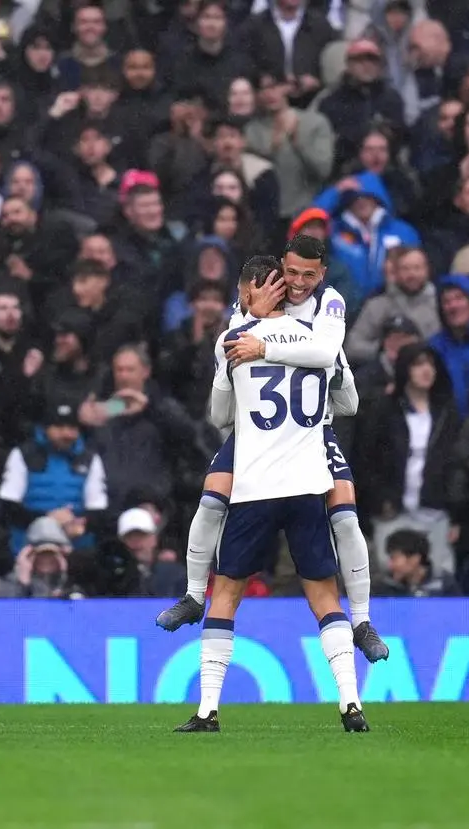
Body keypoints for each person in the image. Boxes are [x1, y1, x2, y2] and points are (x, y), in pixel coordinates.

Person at [155, 238, 389, 664]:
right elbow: (223, 378)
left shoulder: (329, 303)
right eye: (293, 273)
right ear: (282, 266)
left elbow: (326, 357)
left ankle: (361, 620)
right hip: (257, 431)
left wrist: (264, 344)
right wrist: (250, 320)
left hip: (312, 428)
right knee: (210, 499)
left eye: (309, 276)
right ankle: (192, 596)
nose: (298, 284)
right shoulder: (253, 299)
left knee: (345, 513)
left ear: (323, 275)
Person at [175, 271, 367, 734]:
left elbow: (220, 416)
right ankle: (351, 703)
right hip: (306, 482)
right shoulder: (317, 340)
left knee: (227, 593)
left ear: (248, 292)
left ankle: (207, 712)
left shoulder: (236, 338)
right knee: (323, 593)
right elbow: (348, 402)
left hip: (256, 484)